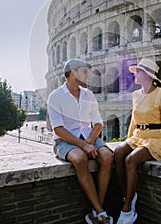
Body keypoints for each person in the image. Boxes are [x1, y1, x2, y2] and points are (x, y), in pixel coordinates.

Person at [114, 58, 161, 224]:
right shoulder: (136, 95)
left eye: (138, 72)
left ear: (147, 75)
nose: (135, 75)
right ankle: (128, 194)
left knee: (131, 160)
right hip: (138, 136)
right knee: (118, 152)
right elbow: (134, 120)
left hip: (155, 139)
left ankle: (127, 207)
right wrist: (128, 140)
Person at [47, 59, 114, 224]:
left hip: (88, 137)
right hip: (65, 140)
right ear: (72, 73)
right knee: (79, 158)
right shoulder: (55, 96)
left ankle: (97, 209)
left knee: (107, 157)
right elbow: (58, 129)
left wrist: (90, 141)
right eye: (84, 71)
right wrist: (83, 145)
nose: (88, 74)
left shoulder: (88, 94)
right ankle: (100, 211)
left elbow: (98, 123)